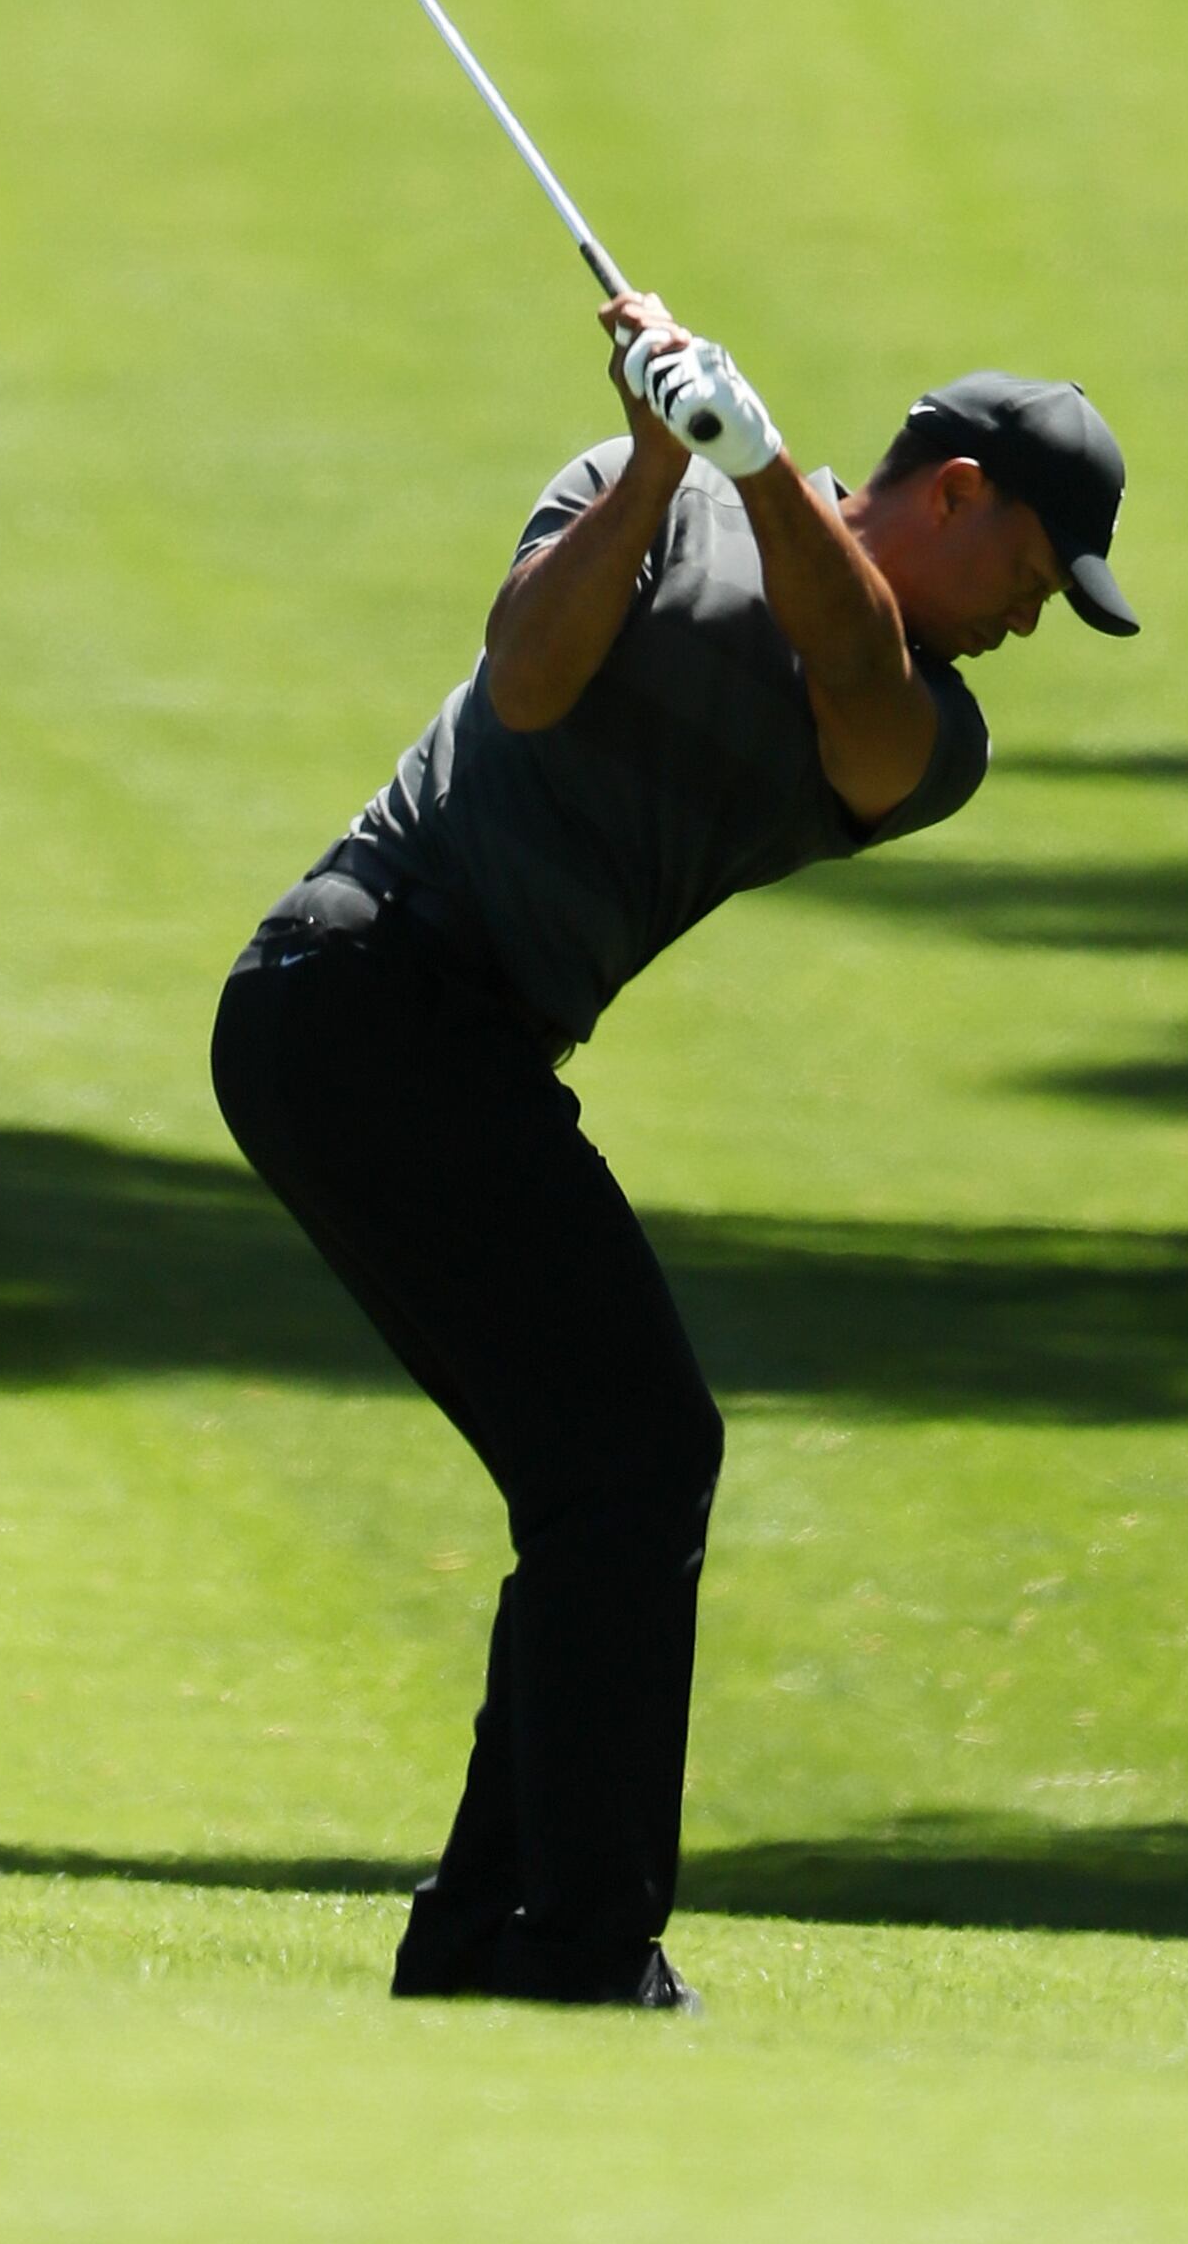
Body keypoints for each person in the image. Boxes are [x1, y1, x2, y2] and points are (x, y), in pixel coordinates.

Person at [210, 295, 1138, 2015]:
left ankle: (497, 1942)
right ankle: (569, 1950)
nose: (1034, 617)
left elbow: (848, 668)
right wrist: (655, 458)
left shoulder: (934, 733)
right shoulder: (638, 491)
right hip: (348, 988)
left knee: (610, 1474)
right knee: (631, 1461)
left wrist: (756, 454)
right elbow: (529, 676)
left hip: (455, 1044)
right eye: (1038, 568)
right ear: (953, 493)